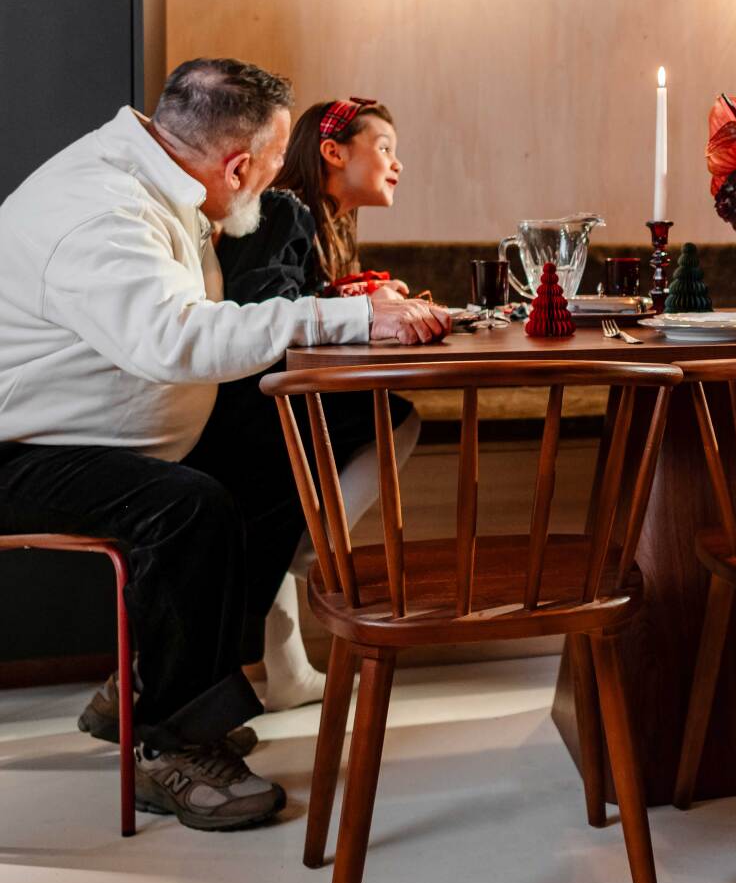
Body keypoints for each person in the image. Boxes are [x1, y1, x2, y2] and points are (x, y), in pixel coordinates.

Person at [0, 59, 450, 830]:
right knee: (188, 508)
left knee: (307, 435)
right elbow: (175, 339)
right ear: (239, 164)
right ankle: (174, 747)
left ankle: (158, 684)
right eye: (275, 166)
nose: (277, 184)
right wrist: (348, 317)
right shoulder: (101, 210)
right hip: (23, 446)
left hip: (99, 432)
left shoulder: (156, 180)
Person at [211, 97, 418, 711]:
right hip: (250, 406)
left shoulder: (320, 218)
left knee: (263, 521)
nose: (396, 163)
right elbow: (261, 306)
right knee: (396, 417)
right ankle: (315, 551)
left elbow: (298, 295)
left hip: (265, 401)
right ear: (333, 151)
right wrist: (352, 308)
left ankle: (290, 667)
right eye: (383, 146)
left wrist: (353, 292)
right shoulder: (284, 208)